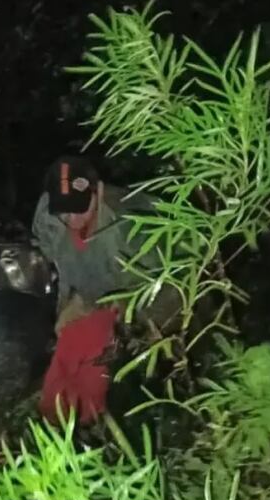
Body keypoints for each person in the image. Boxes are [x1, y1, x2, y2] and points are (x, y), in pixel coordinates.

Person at [31, 156, 168, 424]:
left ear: (99, 191)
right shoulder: (49, 215)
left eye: (80, 208)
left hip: (125, 305)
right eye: (64, 210)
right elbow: (54, 257)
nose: (71, 218)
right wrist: (70, 305)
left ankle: (92, 430)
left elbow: (165, 283)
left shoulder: (133, 223)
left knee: (94, 378)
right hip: (85, 296)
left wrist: (133, 325)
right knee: (61, 370)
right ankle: (54, 433)